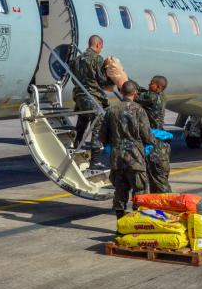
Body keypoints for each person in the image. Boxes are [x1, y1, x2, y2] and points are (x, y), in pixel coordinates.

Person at [100, 80, 154, 219]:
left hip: (117, 157)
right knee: (140, 189)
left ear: (122, 92)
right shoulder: (139, 110)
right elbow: (146, 134)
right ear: (135, 93)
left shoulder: (111, 111)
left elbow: (102, 135)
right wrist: (151, 143)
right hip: (135, 157)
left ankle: (120, 222)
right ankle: (137, 221)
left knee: (120, 190)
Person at [69, 35, 113, 170]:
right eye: (101, 47)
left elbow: (74, 80)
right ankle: (95, 162)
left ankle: (73, 151)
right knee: (97, 128)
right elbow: (102, 81)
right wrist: (110, 75)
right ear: (98, 45)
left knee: (81, 126)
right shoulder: (97, 59)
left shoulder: (76, 60)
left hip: (80, 97)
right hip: (93, 98)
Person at [135, 76, 172, 193]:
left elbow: (135, 96)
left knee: (158, 180)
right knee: (158, 179)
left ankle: (166, 204)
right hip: (161, 141)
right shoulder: (161, 96)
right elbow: (142, 90)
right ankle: (159, 205)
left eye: (152, 83)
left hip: (155, 144)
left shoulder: (152, 97)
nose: (149, 84)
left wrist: (121, 82)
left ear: (158, 87)